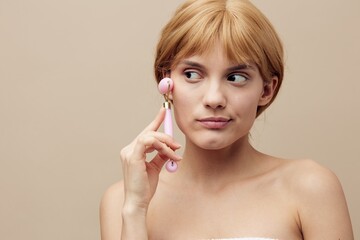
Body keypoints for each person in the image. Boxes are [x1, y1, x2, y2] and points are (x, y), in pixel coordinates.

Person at [100, 0, 354, 239]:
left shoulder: (310, 187)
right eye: (192, 74)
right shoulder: (122, 200)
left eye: (236, 77)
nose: (214, 99)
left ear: (266, 90)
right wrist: (134, 210)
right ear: (166, 83)